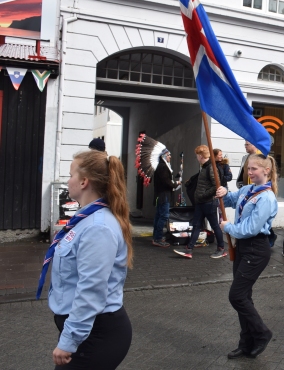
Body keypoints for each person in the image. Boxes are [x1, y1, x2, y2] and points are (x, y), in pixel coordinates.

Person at [42, 150, 133, 369]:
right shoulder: (86, 218)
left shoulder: (98, 227)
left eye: (71, 174)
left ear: (84, 182)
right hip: (87, 330)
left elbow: (90, 290)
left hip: (95, 334)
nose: (68, 180)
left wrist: (68, 342)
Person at [215, 154, 279, 359]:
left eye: (254, 169)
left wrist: (229, 227)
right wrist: (223, 192)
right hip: (242, 248)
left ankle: (262, 333)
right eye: (248, 169)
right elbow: (231, 200)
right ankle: (246, 343)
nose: (249, 172)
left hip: (256, 248)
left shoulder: (267, 197)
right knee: (245, 296)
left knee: (237, 296)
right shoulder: (247, 190)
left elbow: (251, 228)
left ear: (266, 171)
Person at [174, 146, 227, 259]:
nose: (196, 158)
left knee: (214, 226)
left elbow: (216, 185)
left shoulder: (210, 168)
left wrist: (203, 195)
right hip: (201, 202)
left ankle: (221, 249)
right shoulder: (205, 167)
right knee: (196, 225)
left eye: (197, 156)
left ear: (200, 156)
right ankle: (189, 249)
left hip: (208, 202)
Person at [151, 149, 180, 247]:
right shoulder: (163, 167)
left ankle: (156, 236)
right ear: (163, 156)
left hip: (161, 195)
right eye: (168, 155)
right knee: (164, 215)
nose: (170, 157)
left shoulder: (161, 166)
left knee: (159, 215)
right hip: (164, 195)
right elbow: (166, 181)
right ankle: (158, 238)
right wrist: (176, 183)